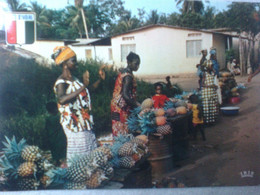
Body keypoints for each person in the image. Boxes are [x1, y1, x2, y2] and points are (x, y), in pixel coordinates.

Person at [52, 46, 105, 165]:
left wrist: (100, 80)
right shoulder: (61, 82)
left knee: (88, 150)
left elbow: (87, 91)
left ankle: (89, 176)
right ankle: (78, 177)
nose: (76, 63)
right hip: (73, 124)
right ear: (65, 64)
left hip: (83, 122)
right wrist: (83, 85)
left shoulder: (75, 79)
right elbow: (61, 99)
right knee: (78, 154)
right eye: (73, 60)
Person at [111, 52, 140, 136]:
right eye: (135, 64)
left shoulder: (125, 72)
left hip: (116, 105)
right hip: (121, 107)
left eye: (138, 64)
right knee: (122, 129)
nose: (137, 66)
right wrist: (137, 105)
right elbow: (126, 95)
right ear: (129, 63)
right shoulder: (128, 76)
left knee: (118, 127)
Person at [201, 60, 219, 125]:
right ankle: (207, 122)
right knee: (207, 107)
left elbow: (214, 79)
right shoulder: (204, 74)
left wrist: (213, 71)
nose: (212, 67)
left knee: (212, 106)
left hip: (212, 92)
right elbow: (202, 84)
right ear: (208, 66)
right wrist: (211, 86)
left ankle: (212, 121)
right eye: (211, 66)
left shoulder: (212, 73)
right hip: (207, 93)